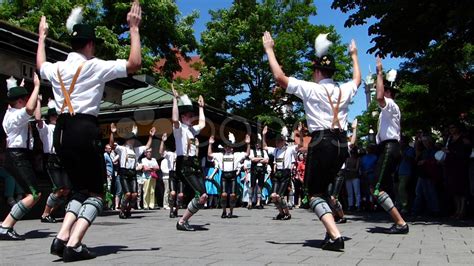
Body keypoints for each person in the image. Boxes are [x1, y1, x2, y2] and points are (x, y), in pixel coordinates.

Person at [37, 1, 142, 261]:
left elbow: (40, 65)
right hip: (83, 128)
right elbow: (134, 64)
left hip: (61, 131)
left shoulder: (57, 68)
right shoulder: (93, 66)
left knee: (78, 190)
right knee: (96, 192)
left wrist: (41, 37)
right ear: (90, 45)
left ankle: (62, 236)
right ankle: (74, 243)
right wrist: (134, 28)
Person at [263, 31, 360, 250]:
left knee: (312, 193)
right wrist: (354, 55)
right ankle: (330, 232)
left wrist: (269, 50)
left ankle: (336, 236)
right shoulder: (343, 89)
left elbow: (280, 78)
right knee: (324, 190)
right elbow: (357, 80)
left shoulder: (310, 88)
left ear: (317, 71)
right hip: (341, 143)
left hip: (322, 142)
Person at [0, 74, 40, 241]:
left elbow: (32, 112)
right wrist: (36, 86)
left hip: (16, 156)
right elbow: (30, 110)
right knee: (34, 194)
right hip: (17, 156)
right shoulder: (15, 116)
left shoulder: (10, 112)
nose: (26, 101)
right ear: (19, 101)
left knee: (32, 194)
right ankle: (5, 226)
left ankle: (6, 225)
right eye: (24, 98)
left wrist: (21, 88)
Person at [372, 56, 408, 234]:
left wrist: (379, 73)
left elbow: (379, 96)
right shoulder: (389, 110)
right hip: (388, 148)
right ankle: (398, 219)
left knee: (376, 188)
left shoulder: (390, 104)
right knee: (383, 187)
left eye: (384, 89)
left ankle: (400, 222)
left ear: (389, 93)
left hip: (390, 147)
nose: (381, 91)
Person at [172, 87, 207, 231]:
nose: (191, 117)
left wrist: (201, 107)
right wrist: (174, 99)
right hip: (184, 163)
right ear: (182, 117)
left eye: (192, 115)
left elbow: (203, 124)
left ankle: (183, 219)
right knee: (200, 195)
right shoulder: (179, 128)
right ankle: (181, 222)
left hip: (194, 163)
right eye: (188, 115)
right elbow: (174, 119)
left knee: (203, 196)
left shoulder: (192, 130)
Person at [35, 97, 72, 223]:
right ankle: (45, 213)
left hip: (62, 158)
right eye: (54, 115)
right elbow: (38, 119)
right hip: (51, 157)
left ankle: (48, 213)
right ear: (50, 117)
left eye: (57, 115)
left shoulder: (62, 129)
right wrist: (39, 102)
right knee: (59, 189)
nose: (56, 117)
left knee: (66, 189)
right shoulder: (46, 128)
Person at [109, 123, 155, 218]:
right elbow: (111, 145)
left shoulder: (136, 150)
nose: (133, 140)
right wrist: (112, 133)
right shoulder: (122, 149)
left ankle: (128, 210)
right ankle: (122, 211)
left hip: (133, 173)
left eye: (134, 139)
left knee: (134, 195)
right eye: (132, 139)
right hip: (124, 172)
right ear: (127, 140)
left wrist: (150, 136)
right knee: (128, 194)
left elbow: (147, 146)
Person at [262, 125, 301, 221]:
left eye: (279, 140)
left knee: (279, 196)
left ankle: (287, 214)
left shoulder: (289, 149)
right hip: (277, 173)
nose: (277, 142)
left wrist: (299, 133)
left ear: (284, 141)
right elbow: (264, 147)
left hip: (285, 173)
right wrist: (263, 135)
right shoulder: (275, 150)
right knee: (273, 196)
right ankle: (281, 213)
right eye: (277, 141)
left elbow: (300, 146)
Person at [207, 133, 250, 218]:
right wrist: (210, 144)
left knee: (233, 195)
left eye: (229, 147)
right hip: (224, 176)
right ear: (224, 148)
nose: (228, 148)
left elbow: (247, 154)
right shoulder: (220, 155)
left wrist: (248, 144)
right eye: (226, 147)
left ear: (232, 148)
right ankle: (224, 211)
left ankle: (231, 211)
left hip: (233, 176)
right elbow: (209, 154)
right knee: (223, 195)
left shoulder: (236, 155)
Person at [159, 133, 182, 218]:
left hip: (181, 174)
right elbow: (161, 152)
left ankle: (176, 210)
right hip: (172, 173)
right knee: (172, 193)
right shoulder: (171, 154)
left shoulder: (183, 154)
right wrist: (162, 141)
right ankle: (171, 210)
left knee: (181, 195)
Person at [248, 133, 269, 209]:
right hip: (254, 170)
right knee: (252, 186)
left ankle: (258, 202)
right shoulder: (251, 151)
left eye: (259, 143)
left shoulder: (264, 152)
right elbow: (252, 159)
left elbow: (266, 161)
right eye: (256, 143)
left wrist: (257, 159)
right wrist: (261, 159)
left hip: (262, 170)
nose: (257, 145)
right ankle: (250, 202)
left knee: (260, 186)